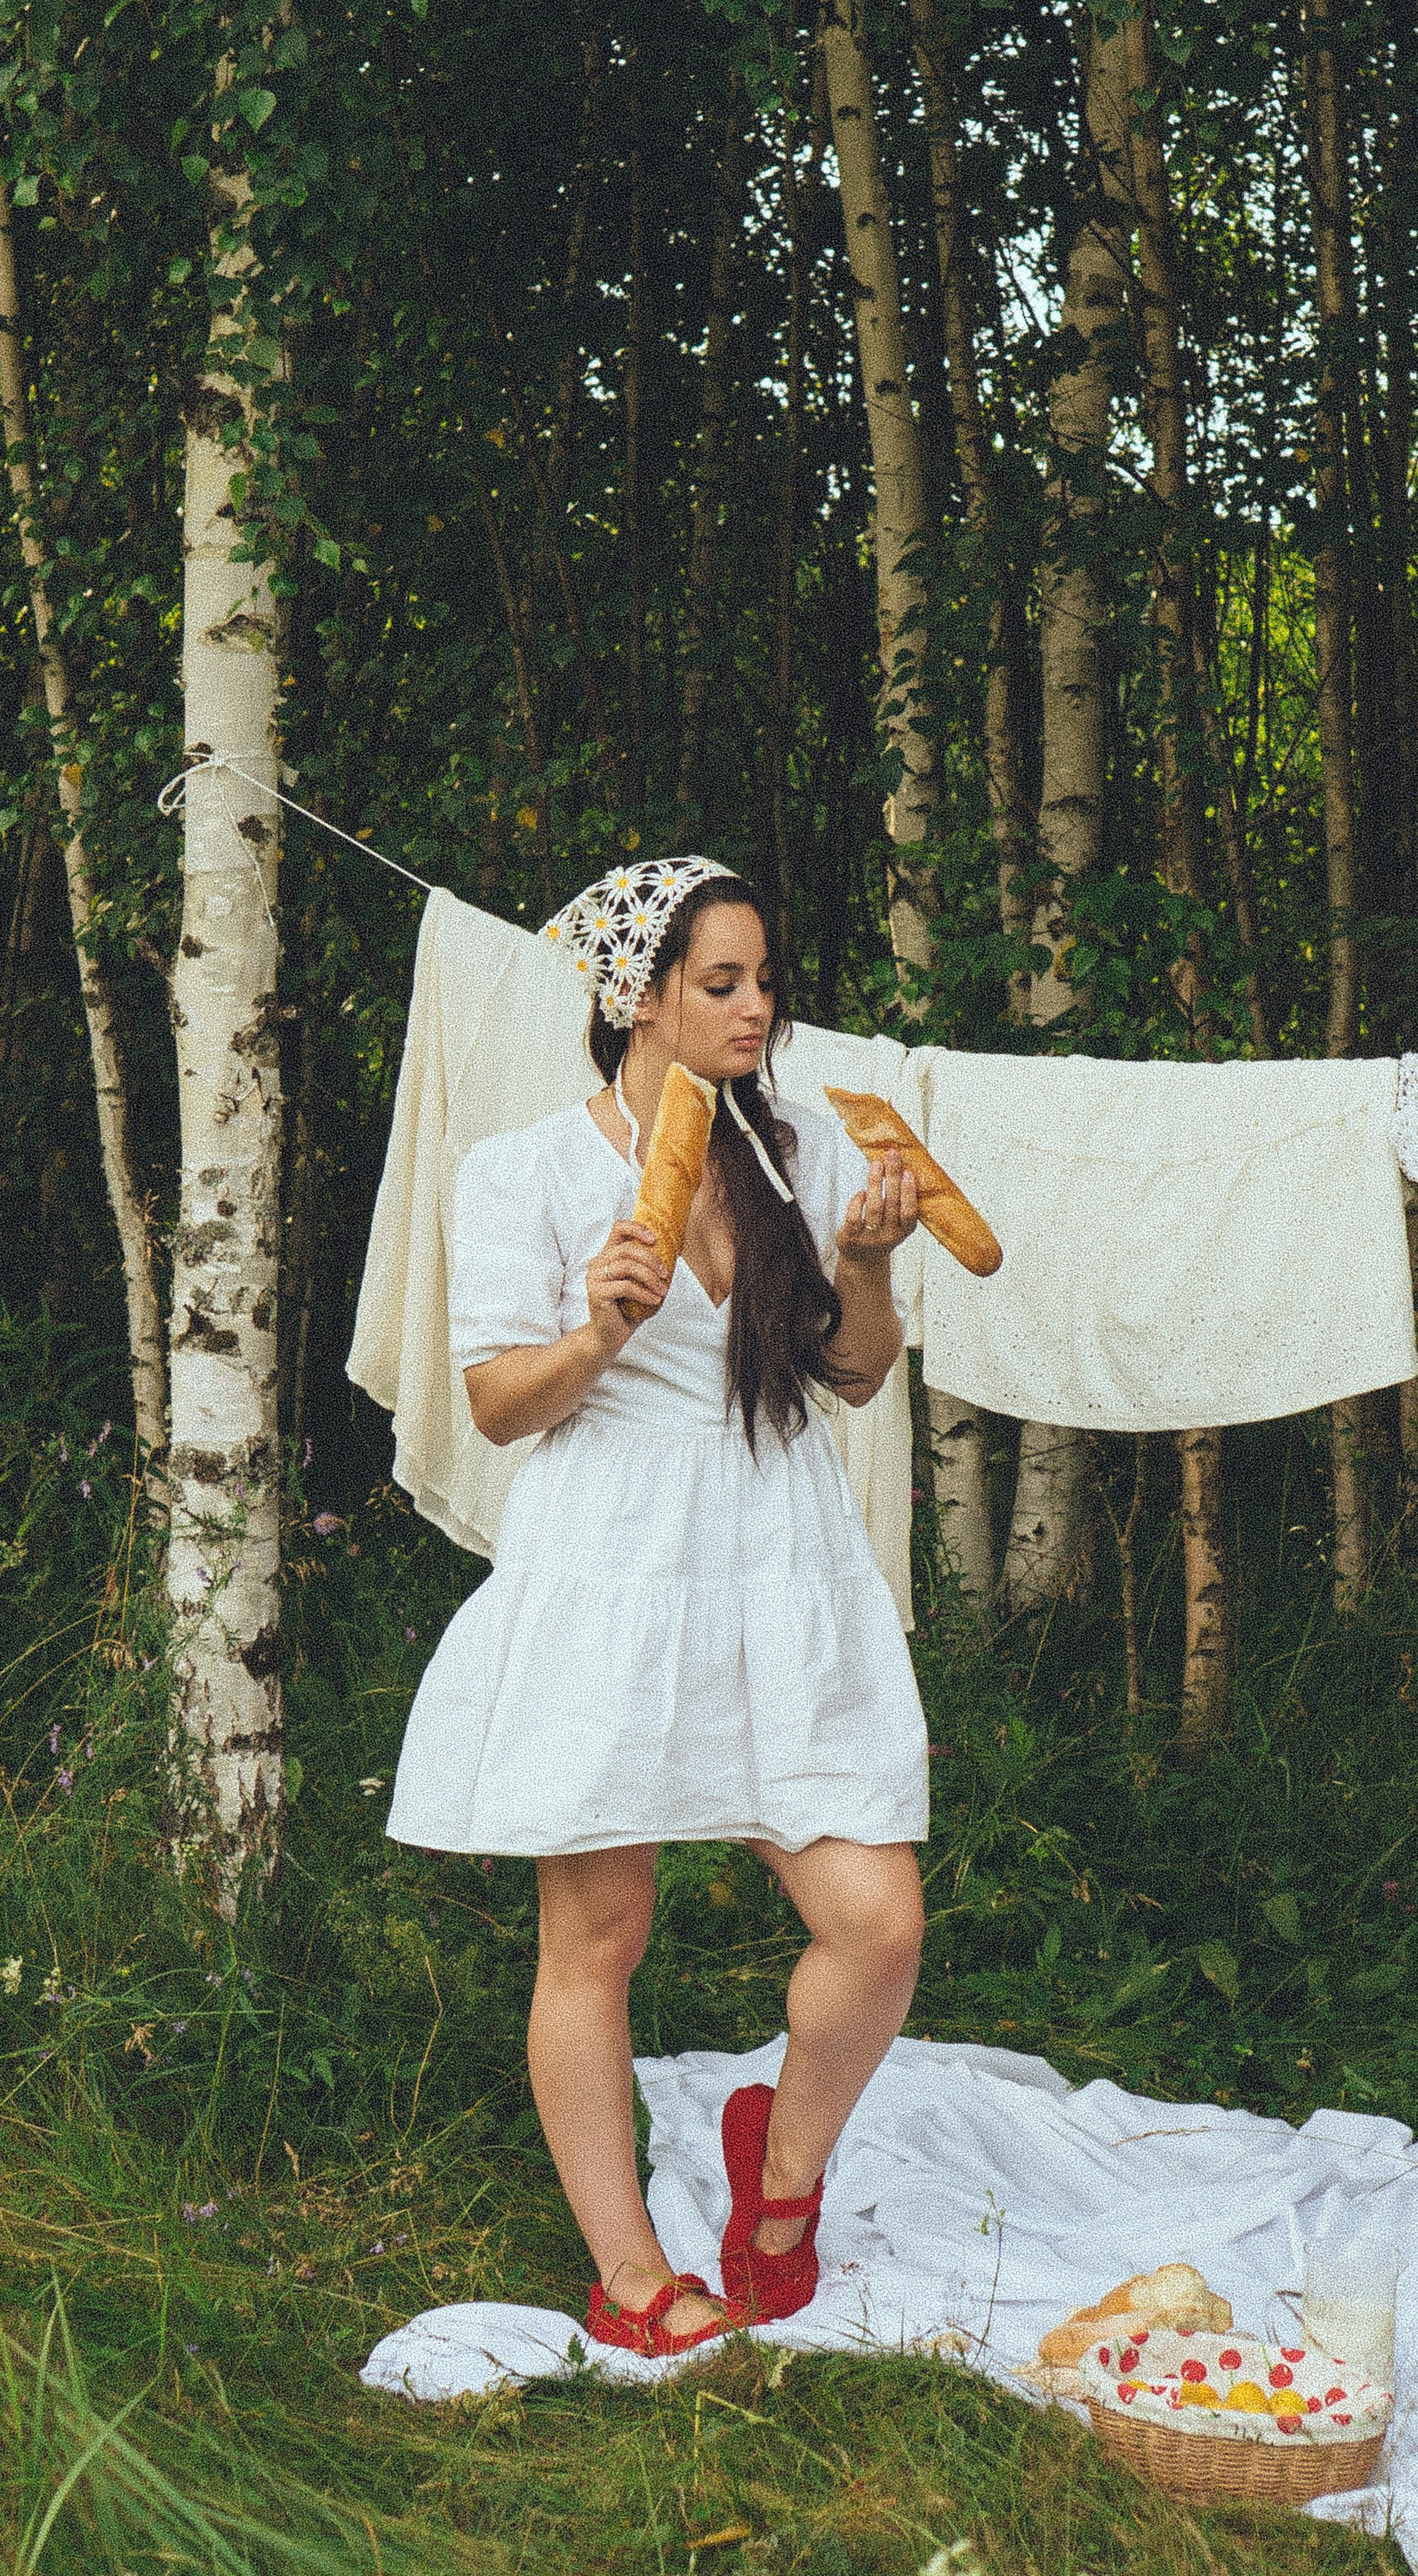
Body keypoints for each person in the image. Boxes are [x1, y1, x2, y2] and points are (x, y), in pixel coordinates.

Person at [386, 855, 929, 2353]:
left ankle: (782, 2178)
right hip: (614, 1562)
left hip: (779, 1553)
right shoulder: (527, 1174)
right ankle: (630, 2275)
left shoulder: (804, 1153)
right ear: (639, 998)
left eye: (766, 982)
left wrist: (869, 1264)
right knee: (600, 1934)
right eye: (723, 984)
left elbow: (856, 1370)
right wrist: (602, 1328)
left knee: (876, 1921)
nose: (760, 1010)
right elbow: (501, 1407)